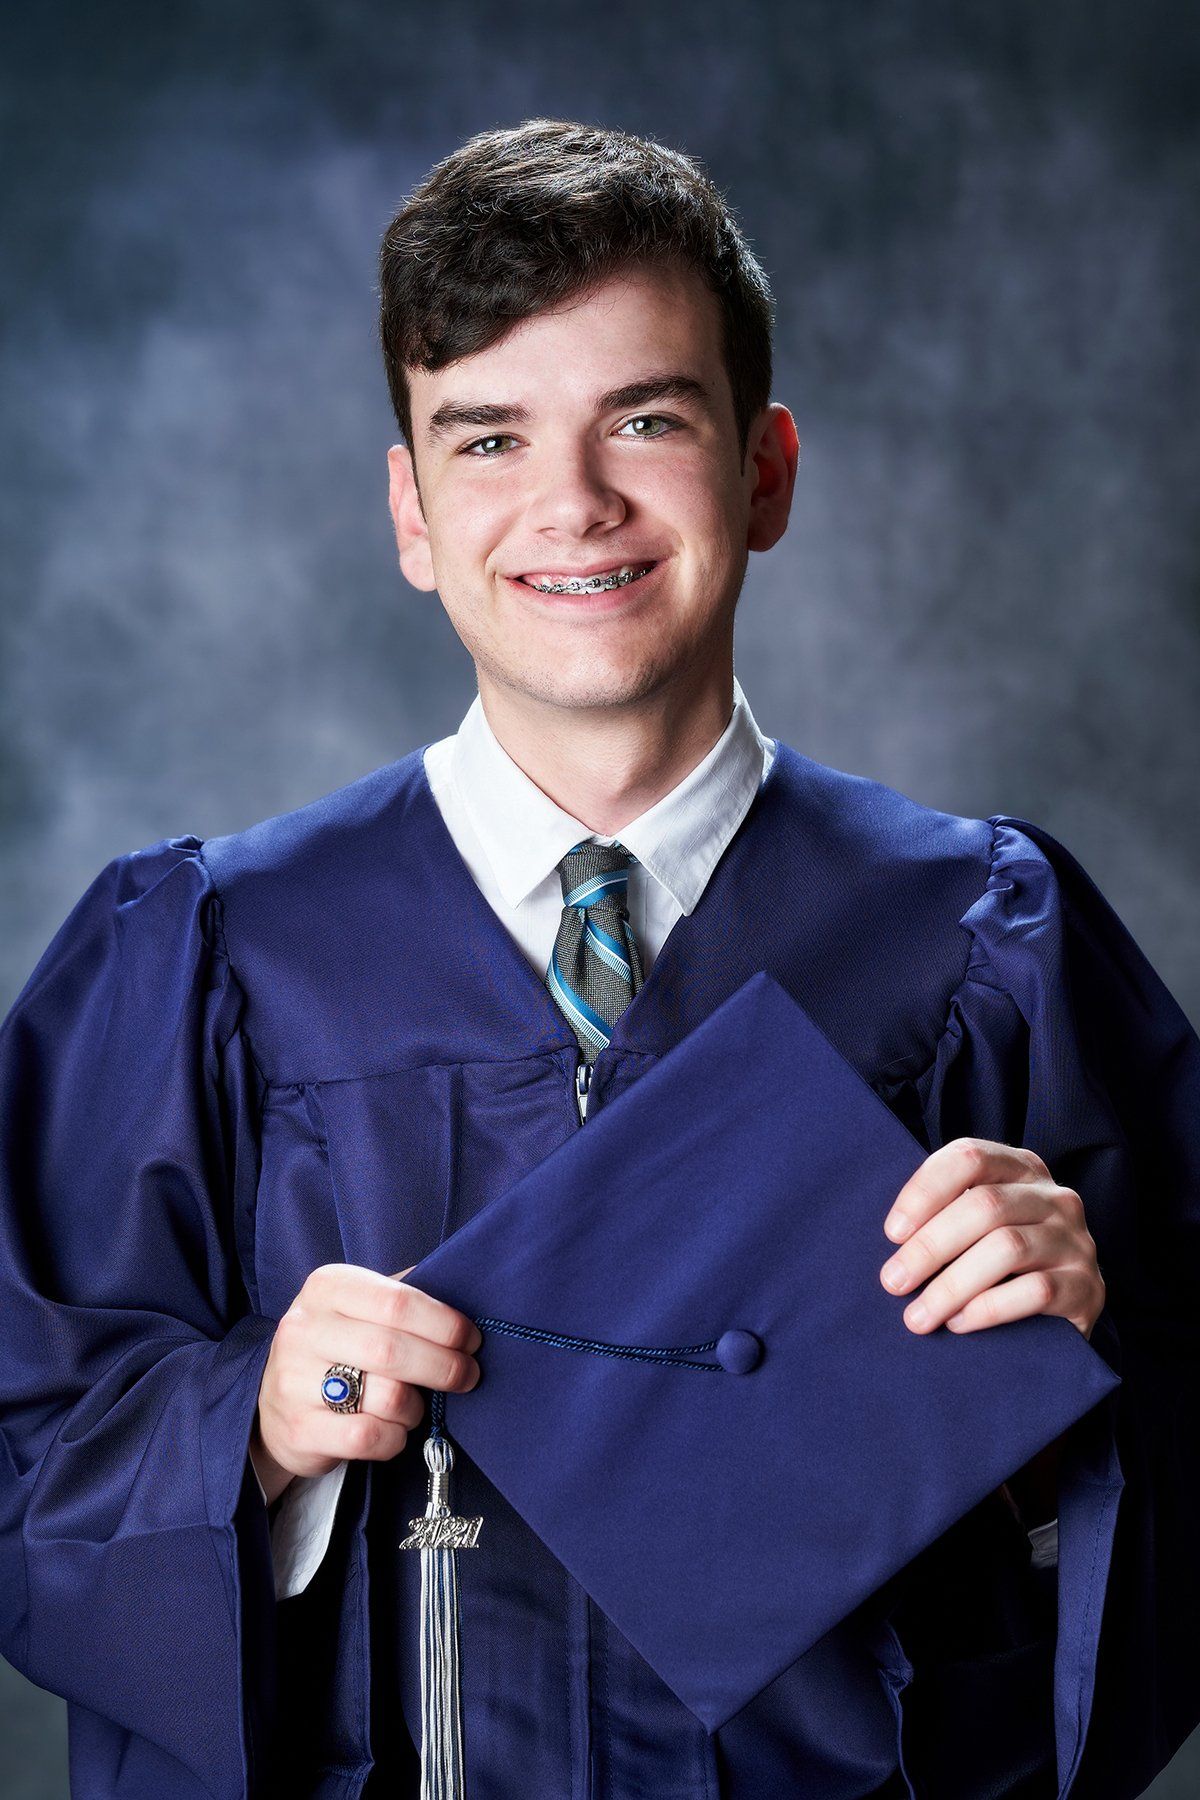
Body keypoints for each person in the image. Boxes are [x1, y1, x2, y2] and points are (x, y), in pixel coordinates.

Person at [0, 117, 1197, 1800]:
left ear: (764, 472)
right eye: (487, 438)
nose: (571, 503)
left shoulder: (983, 941)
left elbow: (1157, 1508)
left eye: (646, 419)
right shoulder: (214, 955)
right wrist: (251, 1432)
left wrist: (1070, 1384)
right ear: (411, 511)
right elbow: (22, 1463)